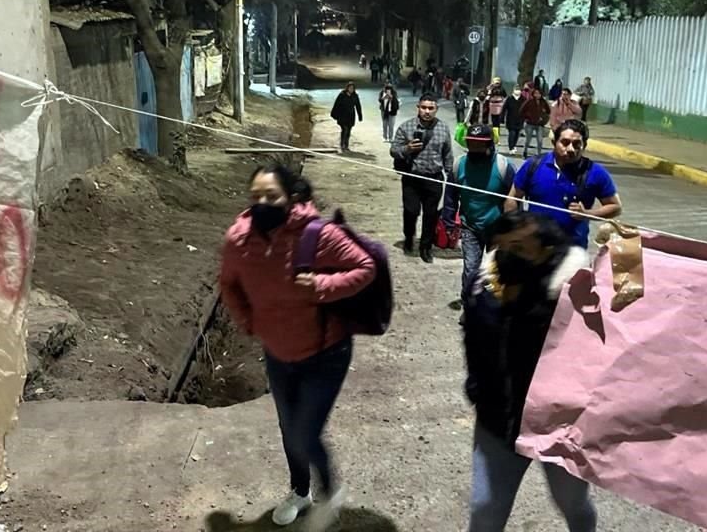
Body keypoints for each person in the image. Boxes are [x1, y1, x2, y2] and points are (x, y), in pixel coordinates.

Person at [219, 164, 376, 528]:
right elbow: (228, 283)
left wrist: (322, 285)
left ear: (291, 198)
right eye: (255, 196)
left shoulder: (316, 234)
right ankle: (300, 491)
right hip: (278, 352)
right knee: (289, 427)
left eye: (271, 196)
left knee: (304, 430)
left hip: (326, 352)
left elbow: (364, 267)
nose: (262, 203)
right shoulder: (239, 240)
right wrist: (248, 321)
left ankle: (329, 494)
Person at [462, 211, 596, 532]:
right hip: (499, 423)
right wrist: (477, 387)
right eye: (506, 246)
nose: (511, 254)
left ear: (546, 250)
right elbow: (473, 335)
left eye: (521, 247)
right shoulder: (488, 284)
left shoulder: (573, 297)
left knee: (573, 505)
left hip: (559, 427)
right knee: (485, 511)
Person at [504, 120, 622, 248]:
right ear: (554, 142)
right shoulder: (533, 165)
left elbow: (615, 206)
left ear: (585, 145)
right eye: (565, 143)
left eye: (577, 144)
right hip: (534, 249)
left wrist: (587, 214)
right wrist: (514, 230)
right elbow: (513, 198)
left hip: (572, 251)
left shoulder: (595, 172)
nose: (571, 149)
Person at [442, 124, 516, 308]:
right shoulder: (459, 165)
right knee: (471, 270)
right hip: (470, 227)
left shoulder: (503, 167)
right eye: (472, 143)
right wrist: (449, 222)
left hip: (497, 228)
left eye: (480, 144)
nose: (475, 148)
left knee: (496, 270)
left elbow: (514, 200)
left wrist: (514, 229)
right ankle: (470, 307)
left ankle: (494, 307)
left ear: (490, 144)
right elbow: (451, 195)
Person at [391, 94, 454, 263]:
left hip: (434, 178)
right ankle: (409, 237)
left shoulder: (443, 128)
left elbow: (447, 153)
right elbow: (394, 150)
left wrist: (451, 176)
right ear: (418, 107)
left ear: (436, 109)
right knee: (411, 211)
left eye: (431, 108)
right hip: (412, 177)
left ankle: (425, 247)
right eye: (424, 107)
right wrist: (407, 149)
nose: (427, 111)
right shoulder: (406, 127)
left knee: (431, 215)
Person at [330, 82, 363, 152]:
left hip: (351, 116)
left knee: (349, 130)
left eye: (352, 88)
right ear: (347, 88)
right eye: (350, 88)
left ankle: (346, 144)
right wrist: (334, 114)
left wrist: (360, 115)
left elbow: (358, 106)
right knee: (344, 129)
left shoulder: (355, 96)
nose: (351, 89)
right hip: (342, 115)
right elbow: (336, 104)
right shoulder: (342, 95)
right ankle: (342, 144)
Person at [519, 88, 550, 158]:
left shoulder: (543, 102)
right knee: (528, 139)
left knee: (540, 140)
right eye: (536, 93)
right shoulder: (529, 101)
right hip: (530, 124)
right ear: (533, 94)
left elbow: (548, 111)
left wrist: (544, 118)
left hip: (540, 124)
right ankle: (525, 151)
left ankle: (538, 154)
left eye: (539, 93)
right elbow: (521, 111)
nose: (537, 95)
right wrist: (527, 117)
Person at [501, 87, 525, 154]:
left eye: (519, 90)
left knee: (517, 134)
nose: (517, 91)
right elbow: (504, 109)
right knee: (512, 133)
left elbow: (526, 109)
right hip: (510, 120)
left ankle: (514, 145)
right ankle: (511, 147)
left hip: (520, 120)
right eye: (516, 89)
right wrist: (502, 118)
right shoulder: (509, 99)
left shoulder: (523, 99)